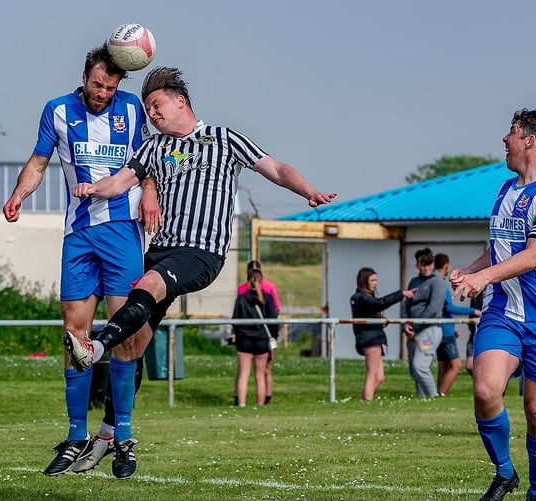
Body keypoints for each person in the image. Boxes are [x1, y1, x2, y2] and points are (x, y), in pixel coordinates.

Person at [63, 66, 335, 397]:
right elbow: (120, 181)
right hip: (162, 250)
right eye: (147, 108)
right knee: (135, 343)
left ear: (180, 101)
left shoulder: (224, 138)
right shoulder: (154, 148)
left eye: (156, 105)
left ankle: (96, 347)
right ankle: (113, 435)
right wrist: (94, 188)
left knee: (146, 285)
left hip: (201, 252)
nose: (151, 114)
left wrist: (309, 191)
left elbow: (276, 169)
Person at [2, 43, 159, 479]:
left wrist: (149, 191)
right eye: (96, 84)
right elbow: (38, 161)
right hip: (78, 236)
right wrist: (18, 195)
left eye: (110, 86)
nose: (102, 93)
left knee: (124, 337)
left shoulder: (133, 110)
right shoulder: (56, 110)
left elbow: (150, 165)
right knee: (74, 336)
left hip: (123, 234)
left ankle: (122, 437)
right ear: (84, 77)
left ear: (119, 84)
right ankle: (74, 437)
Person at [450, 108, 536, 501]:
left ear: (529, 141)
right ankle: (505, 473)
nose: (504, 139)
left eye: (511, 132)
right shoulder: (505, 189)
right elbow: (501, 248)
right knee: (485, 389)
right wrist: (471, 270)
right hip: (503, 311)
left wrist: (481, 279)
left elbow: (534, 255)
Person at [350, 267, 415, 401]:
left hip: (374, 337)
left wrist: (379, 322)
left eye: (375, 280)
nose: (375, 283)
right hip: (369, 339)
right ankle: (367, 401)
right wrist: (401, 294)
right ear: (364, 281)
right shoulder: (360, 297)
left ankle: (362, 399)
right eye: (372, 280)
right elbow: (379, 304)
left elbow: (371, 311)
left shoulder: (364, 298)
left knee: (380, 377)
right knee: (371, 375)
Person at [434, 253, 480, 396]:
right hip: (445, 330)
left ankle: (436, 393)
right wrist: (474, 311)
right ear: (447, 266)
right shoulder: (440, 284)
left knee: (443, 364)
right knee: (456, 365)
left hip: (440, 328)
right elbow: (448, 308)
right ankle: (440, 393)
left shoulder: (431, 281)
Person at [232, 269, 279, 407]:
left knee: (243, 374)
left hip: (244, 340)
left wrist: (237, 334)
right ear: (261, 280)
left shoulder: (241, 298)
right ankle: (260, 405)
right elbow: (274, 320)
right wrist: (274, 337)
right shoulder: (267, 298)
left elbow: (235, 319)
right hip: (262, 340)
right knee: (260, 376)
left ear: (248, 282)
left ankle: (241, 403)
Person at [403, 247, 446, 398]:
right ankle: (421, 400)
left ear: (433, 263)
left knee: (420, 366)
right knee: (414, 371)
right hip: (412, 331)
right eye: (423, 264)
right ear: (417, 265)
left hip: (430, 329)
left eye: (429, 263)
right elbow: (406, 305)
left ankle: (433, 397)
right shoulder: (414, 282)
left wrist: (414, 325)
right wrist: (405, 325)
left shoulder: (438, 282)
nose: (426, 267)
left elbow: (433, 309)